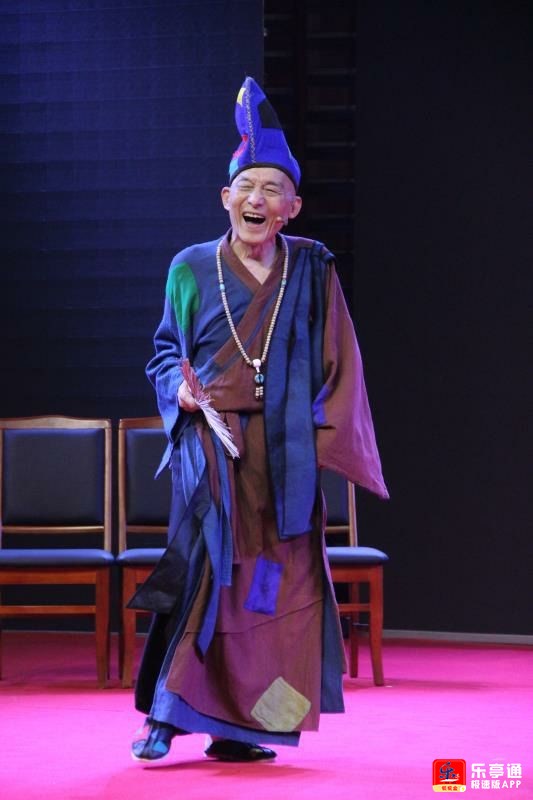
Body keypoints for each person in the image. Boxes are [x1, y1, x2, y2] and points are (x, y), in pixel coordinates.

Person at [129, 76, 388, 764]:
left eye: (273, 190)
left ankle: (247, 728)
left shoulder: (311, 269)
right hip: (213, 449)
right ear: (226, 198)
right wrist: (179, 392)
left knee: (275, 592)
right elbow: (164, 352)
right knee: (205, 576)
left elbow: (340, 360)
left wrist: (321, 441)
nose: (257, 199)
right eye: (246, 187)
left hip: (282, 459)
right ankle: (164, 717)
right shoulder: (190, 268)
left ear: (291, 208)